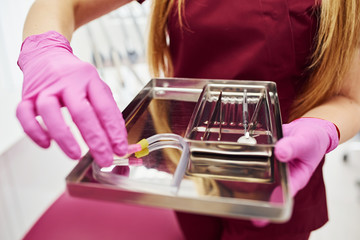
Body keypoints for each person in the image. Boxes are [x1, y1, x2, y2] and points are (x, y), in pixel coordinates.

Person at [17, 0, 360, 239]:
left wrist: (326, 127)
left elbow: (352, 97)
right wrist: (46, 48)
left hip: (280, 174)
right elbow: (62, 4)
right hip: (185, 174)